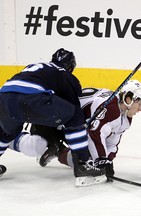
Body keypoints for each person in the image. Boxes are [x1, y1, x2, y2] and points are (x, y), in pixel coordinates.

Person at [0, 48, 105, 186]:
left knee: (7, 133)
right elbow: (72, 108)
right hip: (30, 99)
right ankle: (83, 165)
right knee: (74, 115)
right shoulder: (65, 74)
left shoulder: (37, 67)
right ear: (71, 66)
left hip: (4, 97)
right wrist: (77, 131)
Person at [26, 80, 141, 180]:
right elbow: (95, 134)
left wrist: (107, 161)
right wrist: (101, 160)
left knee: (90, 160)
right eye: (139, 104)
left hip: (73, 123)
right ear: (129, 98)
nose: (140, 109)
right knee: (85, 161)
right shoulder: (111, 109)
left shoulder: (124, 118)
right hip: (52, 122)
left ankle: (59, 151)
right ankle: (54, 147)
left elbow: (112, 143)